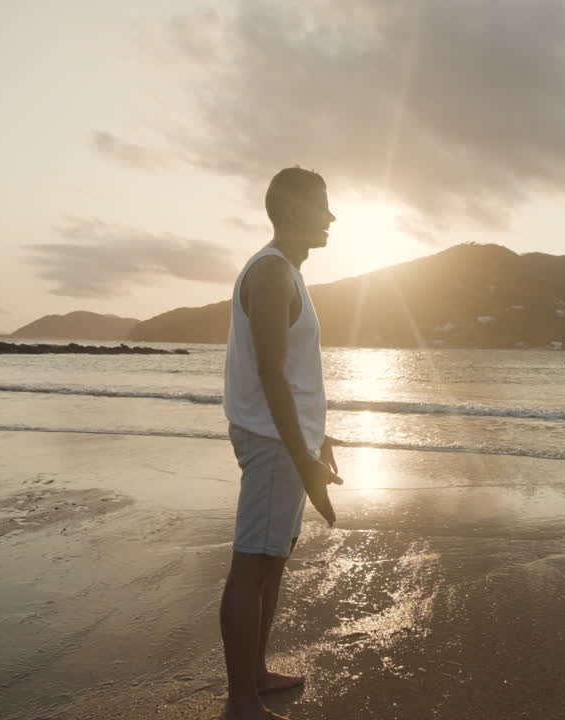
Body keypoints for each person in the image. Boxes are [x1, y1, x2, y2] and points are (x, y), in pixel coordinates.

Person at [220, 167, 345, 720]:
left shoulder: (286, 272)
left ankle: (256, 674)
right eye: (322, 205)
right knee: (254, 563)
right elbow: (270, 373)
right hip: (274, 441)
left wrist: (321, 440)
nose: (332, 216)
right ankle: (241, 699)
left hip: (284, 439)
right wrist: (301, 454)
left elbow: (293, 372)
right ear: (293, 211)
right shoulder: (271, 272)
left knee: (273, 559)